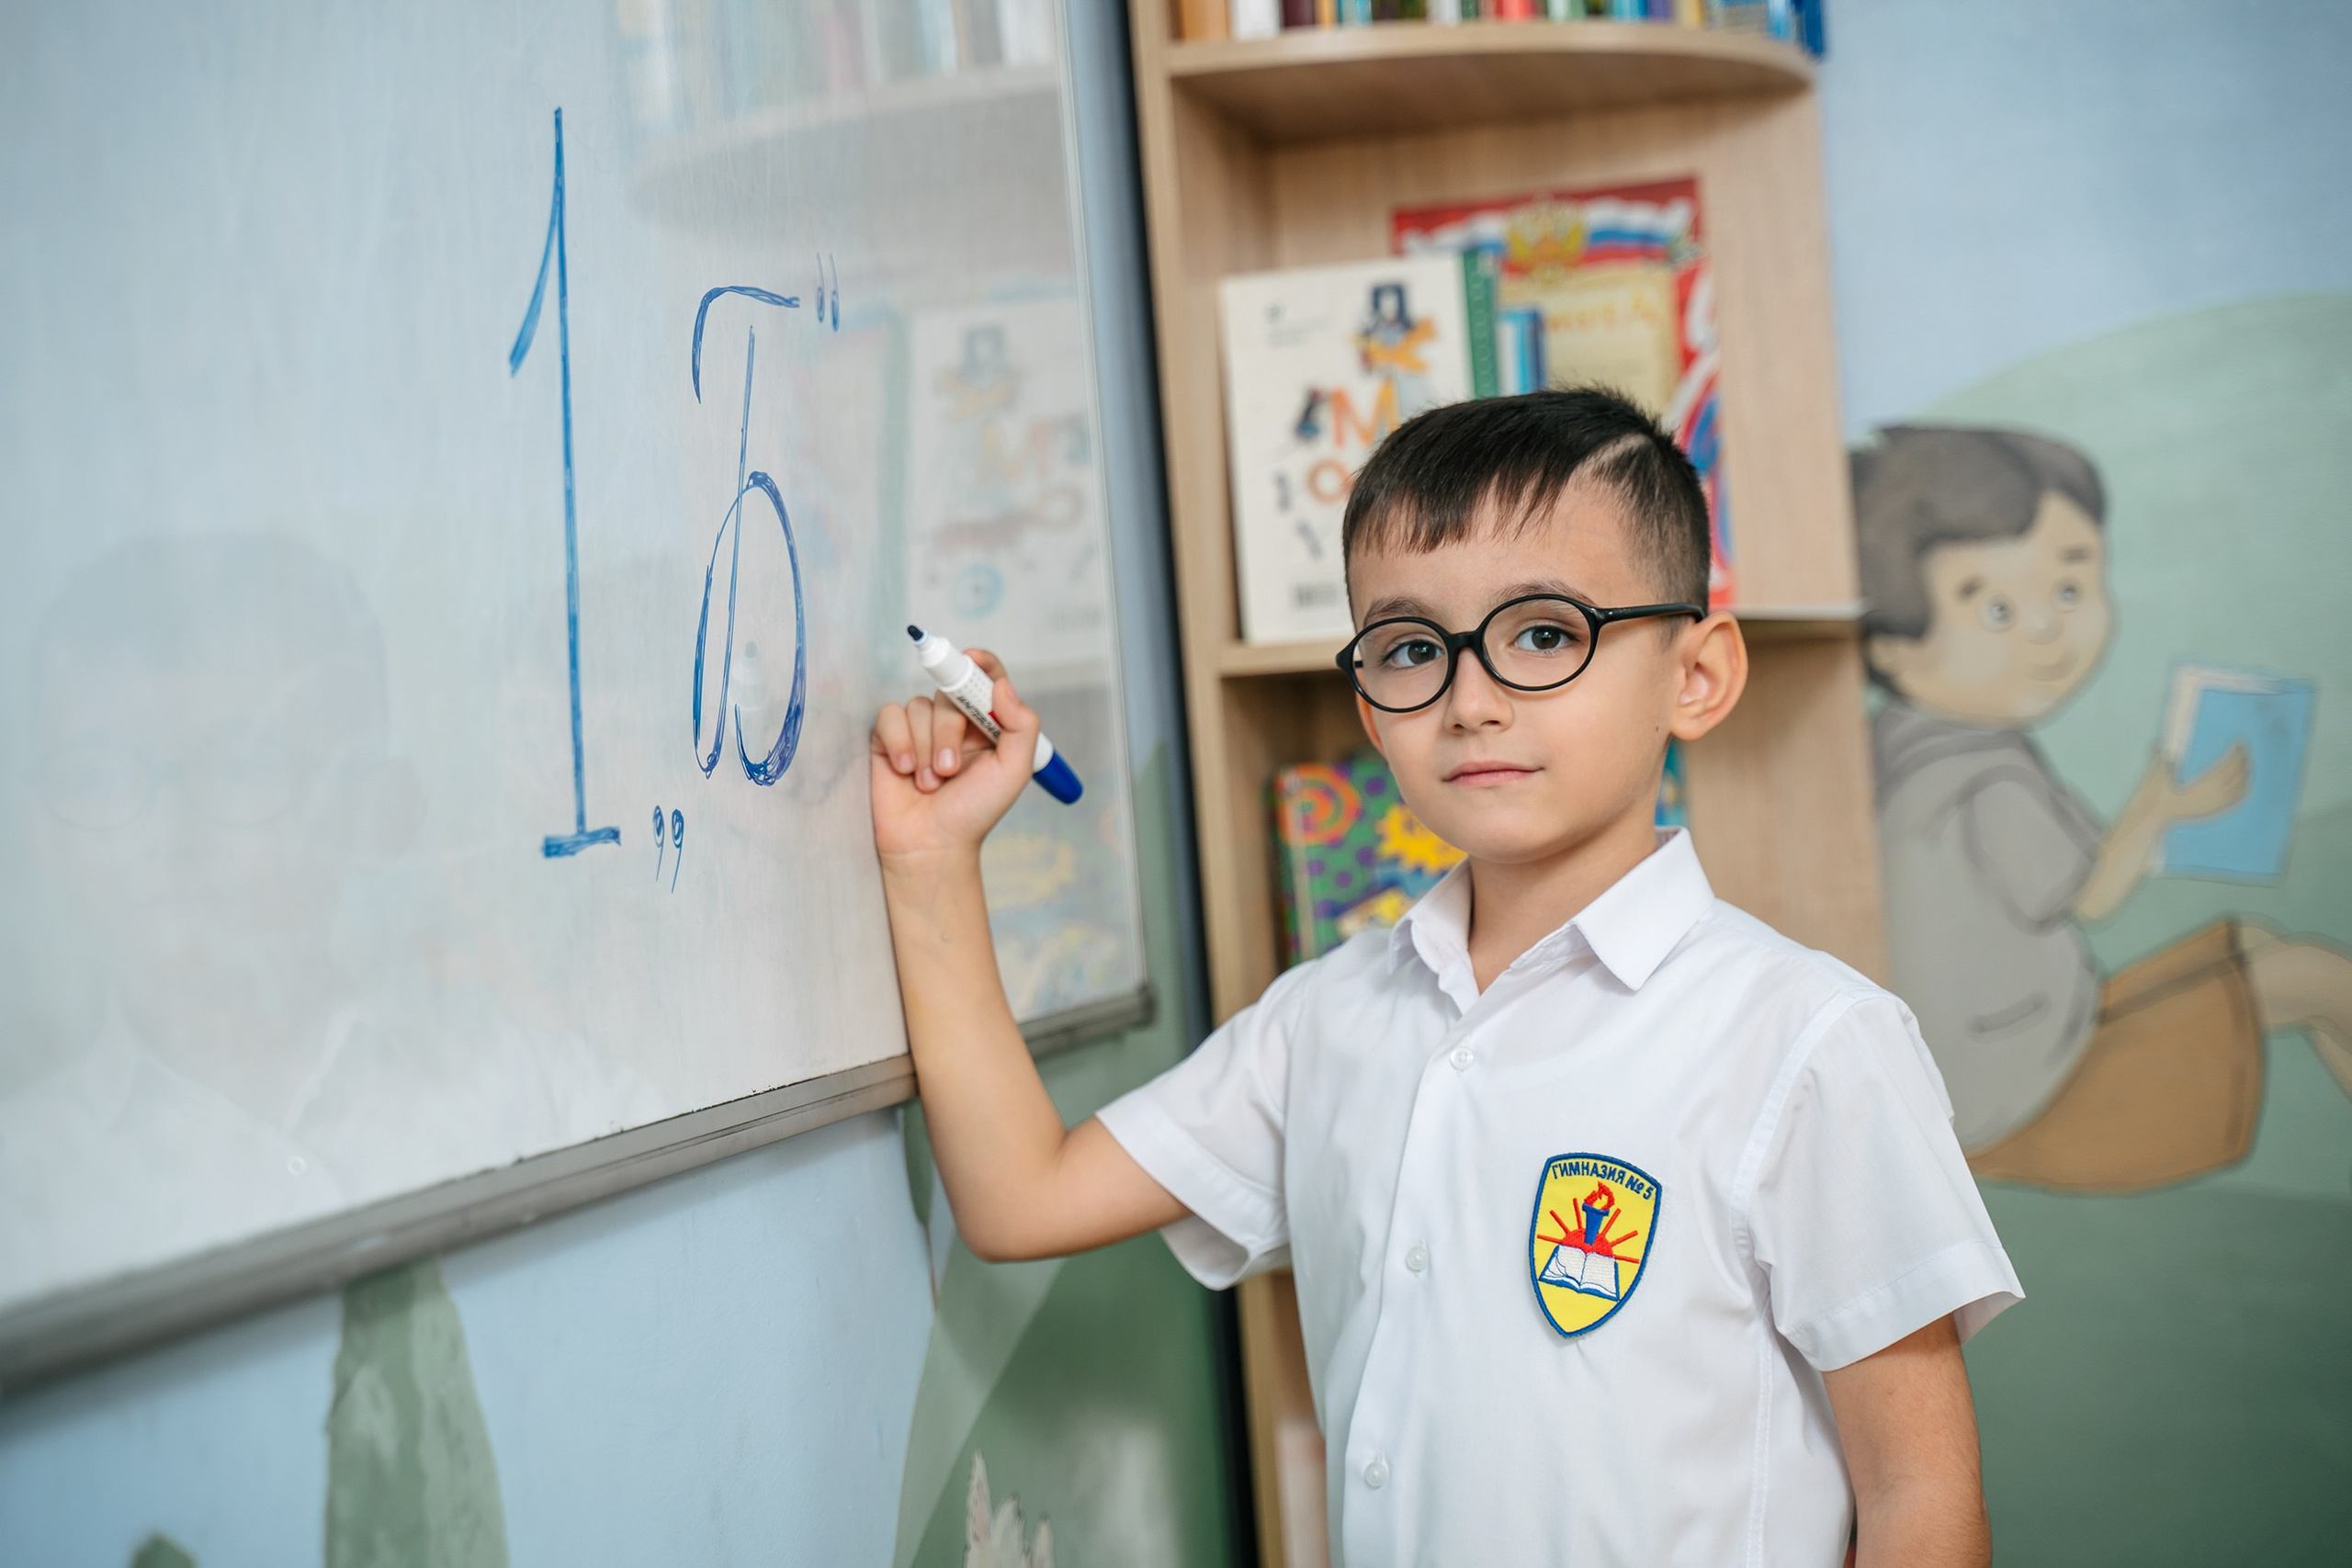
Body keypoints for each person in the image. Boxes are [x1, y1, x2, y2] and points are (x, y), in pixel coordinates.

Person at [871, 389, 2018, 1566]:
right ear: (1371, 707)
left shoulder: (1806, 1038)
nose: (1471, 702)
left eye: (1544, 634)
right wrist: (929, 863)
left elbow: (1918, 1494)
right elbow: (1019, 1200)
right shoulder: (1327, 1019)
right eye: (1413, 649)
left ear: (1695, 675)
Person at [1858, 425, 2352, 1190]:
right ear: (1891, 644)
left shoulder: (1905, 737)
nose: (2047, 631)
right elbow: (2092, 897)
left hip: (1989, 1053)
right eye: (1996, 610)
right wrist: (2157, 805)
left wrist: (2165, 807)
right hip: (2024, 1086)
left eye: (2068, 590)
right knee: (2319, 978)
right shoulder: (1986, 781)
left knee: (2257, 942)